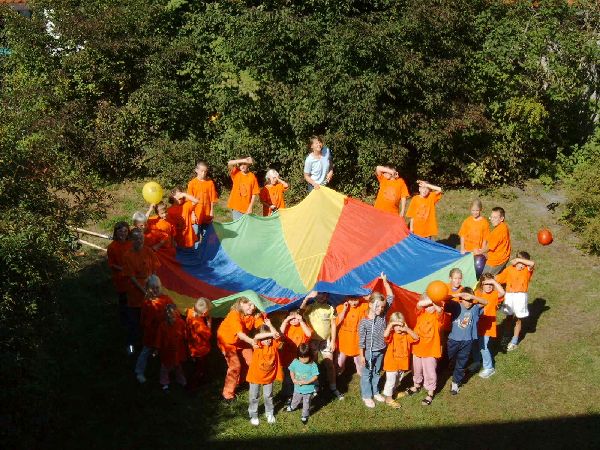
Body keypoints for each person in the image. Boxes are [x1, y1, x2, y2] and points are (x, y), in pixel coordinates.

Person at [217, 297, 276, 402]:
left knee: (252, 361)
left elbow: (261, 328)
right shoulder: (234, 314)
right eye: (249, 305)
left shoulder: (254, 315)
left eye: (254, 305)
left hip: (242, 340)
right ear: (241, 304)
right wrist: (252, 341)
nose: (252, 308)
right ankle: (227, 395)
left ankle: (243, 381)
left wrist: (270, 330)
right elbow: (240, 334)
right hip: (227, 341)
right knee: (235, 366)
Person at [121, 228, 160, 355]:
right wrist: (145, 291)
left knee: (149, 321)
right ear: (131, 240)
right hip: (136, 294)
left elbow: (155, 267)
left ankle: (149, 345)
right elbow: (132, 278)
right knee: (134, 323)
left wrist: (153, 284)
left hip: (149, 290)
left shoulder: (148, 251)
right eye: (137, 239)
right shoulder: (127, 256)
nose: (140, 241)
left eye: (141, 238)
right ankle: (131, 348)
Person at [358, 274, 394, 408]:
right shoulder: (364, 322)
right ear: (370, 304)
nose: (381, 309)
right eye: (378, 307)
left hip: (380, 349)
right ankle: (366, 396)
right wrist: (361, 355)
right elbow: (361, 340)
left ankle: (376, 391)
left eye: (383, 307)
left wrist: (385, 282)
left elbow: (391, 297)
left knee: (377, 371)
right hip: (368, 352)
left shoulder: (383, 315)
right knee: (367, 374)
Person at [300, 291, 344, 400]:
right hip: (313, 341)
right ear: (315, 295)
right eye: (319, 293)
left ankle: (333, 387)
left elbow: (333, 325)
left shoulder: (330, 308)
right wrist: (307, 298)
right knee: (313, 365)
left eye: (324, 294)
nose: (321, 296)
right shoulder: (310, 306)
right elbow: (300, 310)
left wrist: (333, 341)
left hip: (326, 341)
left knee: (329, 364)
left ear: (328, 296)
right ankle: (315, 386)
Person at [444, 288, 488, 395]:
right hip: (453, 340)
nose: (468, 303)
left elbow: (486, 302)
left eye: (470, 300)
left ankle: (455, 383)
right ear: (461, 299)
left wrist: (472, 297)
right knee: (447, 358)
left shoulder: (475, 308)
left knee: (462, 362)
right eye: (465, 300)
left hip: (467, 341)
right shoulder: (456, 306)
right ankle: (443, 372)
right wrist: (459, 294)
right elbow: (444, 299)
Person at [135, 275, 174, 383]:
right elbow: (143, 319)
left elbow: (173, 310)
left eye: (157, 287)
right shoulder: (147, 303)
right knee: (146, 351)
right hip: (151, 333)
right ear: (148, 289)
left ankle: (166, 371)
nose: (156, 290)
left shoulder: (166, 299)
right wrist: (145, 325)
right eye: (153, 288)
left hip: (163, 333)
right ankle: (139, 371)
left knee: (164, 351)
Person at [407, 294, 443, 406]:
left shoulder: (438, 317)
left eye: (431, 305)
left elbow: (440, 310)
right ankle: (417, 385)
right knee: (416, 369)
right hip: (417, 348)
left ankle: (430, 392)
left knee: (430, 371)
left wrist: (434, 301)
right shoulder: (421, 313)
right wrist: (427, 301)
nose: (428, 307)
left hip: (431, 350)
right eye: (426, 305)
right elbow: (418, 305)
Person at [496, 251, 535, 351]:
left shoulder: (527, 270)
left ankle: (514, 340)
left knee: (518, 319)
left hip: (521, 297)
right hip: (509, 296)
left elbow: (532, 263)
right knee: (508, 317)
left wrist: (518, 260)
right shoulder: (509, 269)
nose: (522, 266)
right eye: (521, 263)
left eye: (524, 263)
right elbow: (499, 279)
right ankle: (506, 337)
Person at [246, 324, 282, 426]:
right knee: (254, 396)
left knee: (268, 395)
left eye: (269, 338)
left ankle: (269, 413)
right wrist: (269, 334)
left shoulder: (273, 345)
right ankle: (253, 414)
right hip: (255, 376)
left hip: (269, 377)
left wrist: (270, 325)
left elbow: (276, 335)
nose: (267, 340)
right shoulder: (258, 346)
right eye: (265, 338)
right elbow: (257, 337)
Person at [382, 312, 419, 408]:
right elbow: (385, 335)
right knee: (391, 381)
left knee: (398, 380)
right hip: (391, 364)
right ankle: (388, 399)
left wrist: (407, 329)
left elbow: (416, 338)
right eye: (396, 325)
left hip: (402, 364)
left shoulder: (406, 334)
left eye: (400, 325)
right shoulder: (391, 334)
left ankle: (394, 393)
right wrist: (390, 325)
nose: (398, 328)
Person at [471, 273, 505, 378]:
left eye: (491, 284)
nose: (489, 286)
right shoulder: (477, 293)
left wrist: (494, 281)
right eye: (487, 284)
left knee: (483, 346)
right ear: (481, 284)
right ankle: (477, 361)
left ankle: (489, 367)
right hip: (476, 325)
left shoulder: (494, 294)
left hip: (487, 327)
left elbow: (502, 292)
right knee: (475, 344)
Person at [279, 310, 312, 405]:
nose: (293, 320)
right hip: (287, 358)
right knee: (288, 378)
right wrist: (286, 321)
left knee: (300, 376)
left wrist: (301, 321)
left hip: (300, 358)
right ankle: (288, 395)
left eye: (295, 318)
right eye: (291, 318)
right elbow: (279, 334)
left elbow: (309, 334)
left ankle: (300, 395)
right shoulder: (287, 327)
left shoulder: (303, 326)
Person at [156, 303, 188, 391]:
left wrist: (187, 341)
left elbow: (185, 335)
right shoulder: (163, 325)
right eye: (169, 314)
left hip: (178, 349)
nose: (171, 316)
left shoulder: (180, 322)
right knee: (165, 367)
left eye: (173, 313)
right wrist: (157, 348)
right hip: (167, 350)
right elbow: (159, 338)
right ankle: (165, 383)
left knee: (178, 366)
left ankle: (181, 380)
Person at [106, 221, 132, 330]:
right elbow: (111, 264)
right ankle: (124, 322)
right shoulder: (112, 247)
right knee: (123, 300)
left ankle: (133, 318)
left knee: (133, 299)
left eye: (125, 231)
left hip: (133, 276)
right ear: (116, 232)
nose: (123, 233)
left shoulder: (131, 244)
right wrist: (123, 269)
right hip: (121, 278)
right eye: (120, 231)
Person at [336, 296, 369, 377]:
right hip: (344, 341)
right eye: (351, 300)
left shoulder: (363, 306)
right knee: (340, 362)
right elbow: (337, 322)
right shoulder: (341, 307)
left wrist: (365, 298)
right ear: (346, 299)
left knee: (359, 362)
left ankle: (361, 375)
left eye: (356, 300)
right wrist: (344, 309)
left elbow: (373, 303)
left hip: (357, 341)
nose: (353, 303)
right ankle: (338, 374)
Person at [286, 343, 319, 425]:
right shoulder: (295, 362)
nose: (303, 360)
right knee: (295, 398)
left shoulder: (312, 364)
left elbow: (315, 376)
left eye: (306, 357)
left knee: (306, 402)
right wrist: (293, 379)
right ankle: (293, 406)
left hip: (308, 389)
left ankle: (305, 415)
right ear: (298, 356)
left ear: (310, 355)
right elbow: (291, 370)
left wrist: (307, 382)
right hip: (297, 387)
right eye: (301, 357)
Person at [186, 298, 212, 390]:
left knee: (195, 365)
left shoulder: (190, 312)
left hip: (192, 345)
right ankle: (193, 386)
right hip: (200, 349)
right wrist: (209, 323)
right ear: (204, 313)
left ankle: (194, 381)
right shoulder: (199, 325)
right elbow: (208, 335)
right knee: (200, 368)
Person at [187, 161, 219, 235]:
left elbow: (212, 199)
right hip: (196, 215)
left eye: (205, 171)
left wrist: (211, 212)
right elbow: (189, 201)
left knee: (206, 235)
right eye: (202, 171)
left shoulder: (210, 183)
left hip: (207, 214)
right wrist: (192, 214)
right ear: (196, 170)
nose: (203, 173)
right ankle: (196, 247)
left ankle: (204, 246)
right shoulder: (192, 183)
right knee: (196, 236)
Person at [483, 207, 511, 275]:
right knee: (499, 279)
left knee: (484, 280)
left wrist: (477, 252)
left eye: (495, 218)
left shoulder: (498, 232)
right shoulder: (503, 226)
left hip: (495, 261)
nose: (492, 219)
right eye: (491, 217)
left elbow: (488, 248)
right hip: (504, 257)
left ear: (502, 218)